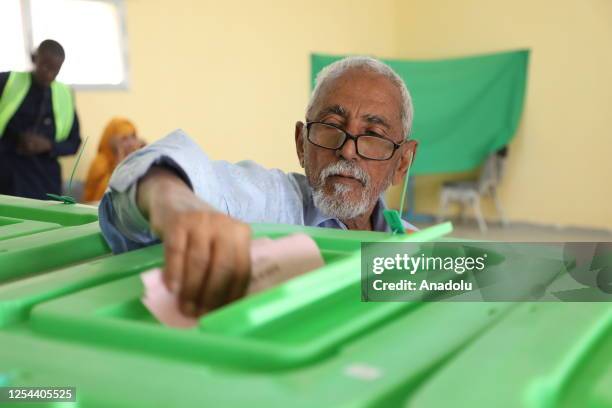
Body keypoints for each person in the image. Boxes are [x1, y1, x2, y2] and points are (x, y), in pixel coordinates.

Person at [99, 56, 418, 316]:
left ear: (402, 162)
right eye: (331, 127)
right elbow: (187, 177)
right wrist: (175, 202)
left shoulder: (418, 247)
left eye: (373, 134)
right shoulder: (274, 202)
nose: (347, 149)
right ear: (301, 144)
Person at [0, 39, 81, 199]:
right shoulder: (6, 82)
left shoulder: (64, 95)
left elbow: (73, 144)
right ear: (34, 58)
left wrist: (48, 145)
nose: (49, 74)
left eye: (55, 71)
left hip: (46, 183)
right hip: (8, 177)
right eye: (45, 66)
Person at [83, 117, 145, 202]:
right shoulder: (100, 162)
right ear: (111, 141)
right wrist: (120, 159)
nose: (131, 143)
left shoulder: (133, 160)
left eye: (133, 137)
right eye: (124, 138)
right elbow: (108, 193)